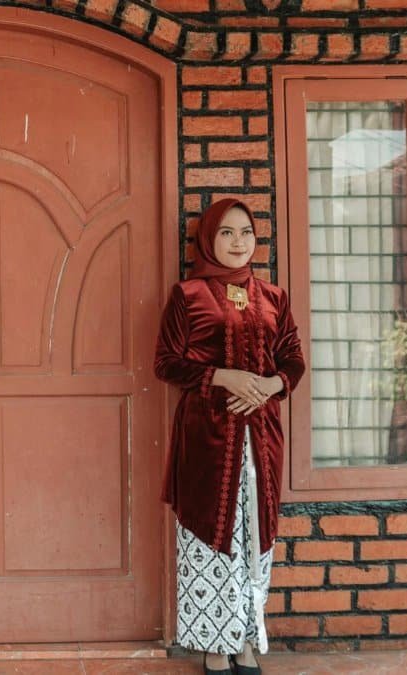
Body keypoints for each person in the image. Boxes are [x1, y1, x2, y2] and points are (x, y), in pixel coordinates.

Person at [154, 198, 305, 675]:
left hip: (261, 437)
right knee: (209, 539)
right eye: (226, 233)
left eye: (246, 233)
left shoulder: (274, 297)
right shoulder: (188, 295)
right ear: (208, 240)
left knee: (255, 537)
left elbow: (294, 359)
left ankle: (245, 641)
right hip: (208, 438)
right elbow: (166, 362)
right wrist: (223, 377)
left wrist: (270, 385)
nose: (238, 243)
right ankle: (212, 649)